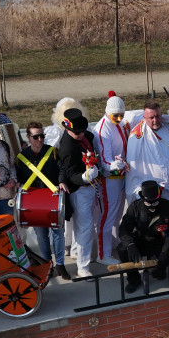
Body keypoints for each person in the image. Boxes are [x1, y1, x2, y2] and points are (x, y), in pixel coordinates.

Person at [15, 121, 70, 281]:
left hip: (51, 198)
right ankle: (47, 264)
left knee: (58, 233)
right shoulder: (21, 157)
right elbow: (18, 175)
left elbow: (61, 169)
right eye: (36, 136)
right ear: (28, 137)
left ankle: (60, 264)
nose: (40, 139)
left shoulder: (52, 152)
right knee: (41, 235)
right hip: (34, 201)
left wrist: (61, 181)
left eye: (42, 136)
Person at [118, 180, 169, 293]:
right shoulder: (135, 207)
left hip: (157, 242)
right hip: (139, 239)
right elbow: (124, 228)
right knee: (122, 249)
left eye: (154, 203)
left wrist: (165, 252)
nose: (152, 206)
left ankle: (157, 268)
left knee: (158, 273)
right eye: (148, 203)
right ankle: (133, 279)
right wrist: (130, 244)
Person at [57, 108, 100, 278]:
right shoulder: (67, 147)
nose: (81, 134)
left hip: (91, 187)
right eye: (77, 132)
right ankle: (83, 266)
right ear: (68, 130)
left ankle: (77, 251)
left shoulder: (87, 136)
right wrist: (84, 177)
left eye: (82, 130)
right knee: (85, 228)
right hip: (79, 191)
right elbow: (70, 174)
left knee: (84, 227)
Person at [126, 99, 169, 205]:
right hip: (150, 185)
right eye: (151, 118)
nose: (155, 120)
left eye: (157, 116)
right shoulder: (137, 136)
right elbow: (133, 165)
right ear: (144, 118)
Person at [93, 91, 130, 265]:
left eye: (121, 115)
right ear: (108, 112)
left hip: (121, 178)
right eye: (116, 115)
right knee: (107, 217)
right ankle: (103, 254)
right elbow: (105, 160)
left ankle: (113, 242)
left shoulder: (119, 124)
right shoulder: (102, 129)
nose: (119, 118)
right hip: (109, 180)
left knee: (116, 216)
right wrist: (117, 165)